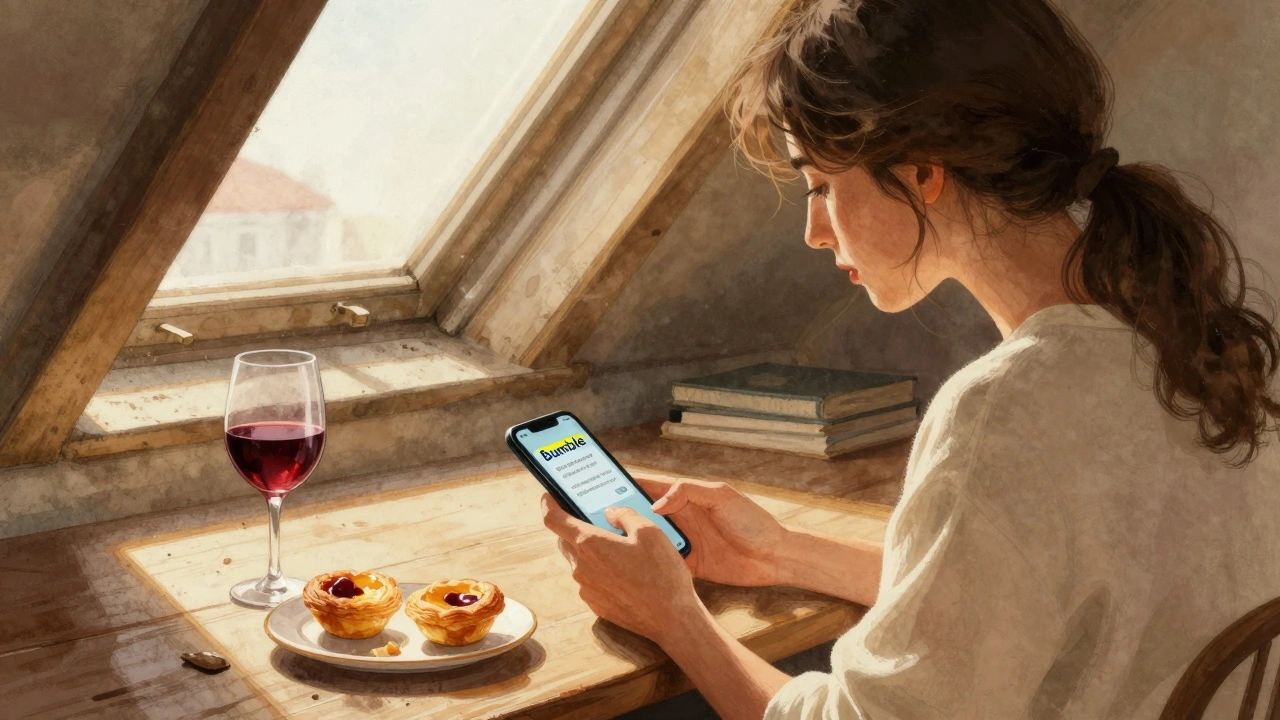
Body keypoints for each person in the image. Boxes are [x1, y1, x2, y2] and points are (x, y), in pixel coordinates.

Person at [541, 0, 1280, 717]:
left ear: (925, 172)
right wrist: (784, 554)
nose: (813, 231)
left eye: (821, 185)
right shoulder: (1190, 343)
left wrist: (674, 615)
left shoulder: (1005, 409)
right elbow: (1014, 602)